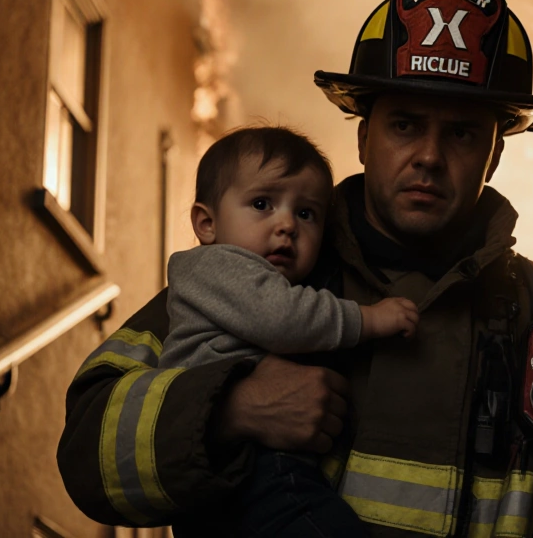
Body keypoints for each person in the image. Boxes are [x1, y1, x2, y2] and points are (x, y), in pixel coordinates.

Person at [58, 0, 533, 537]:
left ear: (494, 155)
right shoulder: (263, 275)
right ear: (364, 138)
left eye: (463, 135)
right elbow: (90, 452)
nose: (429, 157)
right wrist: (228, 409)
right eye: (406, 125)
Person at [159, 125, 419, 536]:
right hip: (252, 465)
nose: (287, 226)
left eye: (306, 213)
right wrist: (370, 318)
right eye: (262, 203)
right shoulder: (218, 267)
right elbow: (282, 319)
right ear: (207, 224)